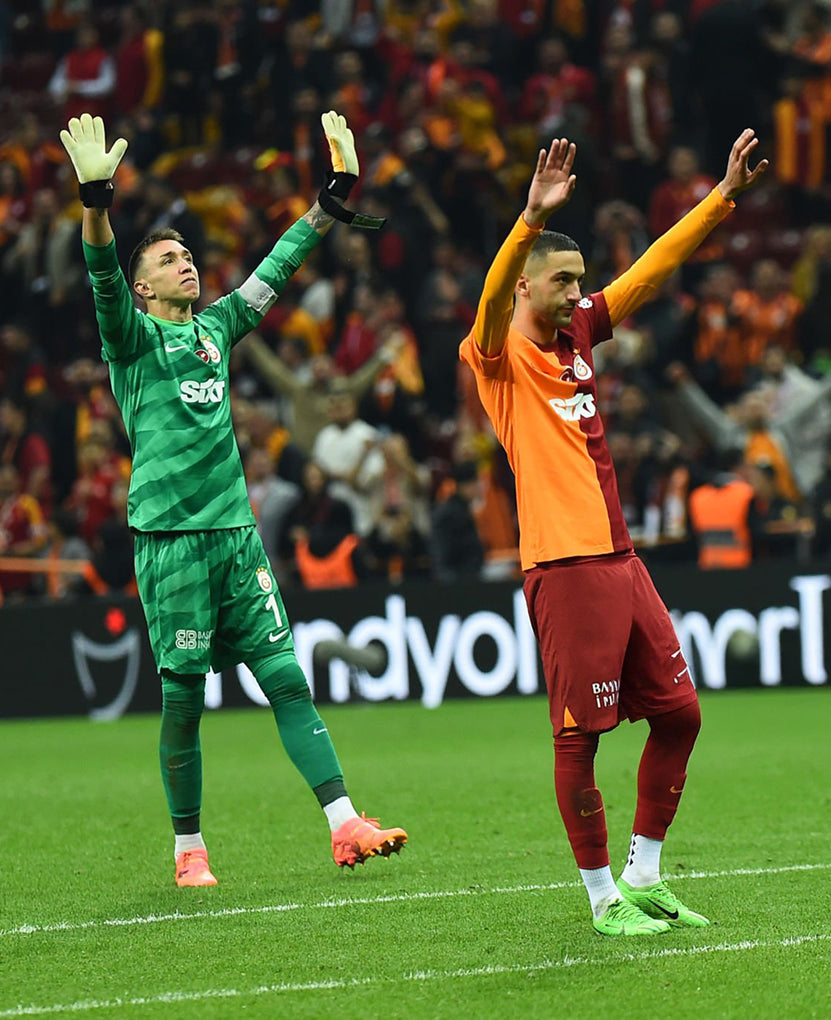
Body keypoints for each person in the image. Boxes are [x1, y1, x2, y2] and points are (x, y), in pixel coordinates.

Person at [60, 111, 406, 887]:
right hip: (172, 541)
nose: (186, 263)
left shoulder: (216, 327)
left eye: (187, 254)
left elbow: (273, 272)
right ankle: (189, 848)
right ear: (144, 287)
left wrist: (327, 205)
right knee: (184, 701)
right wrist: (96, 203)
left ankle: (343, 822)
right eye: (168, 260)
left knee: (286, 677)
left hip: (236, 538)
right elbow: (102, 274)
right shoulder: (131, 340)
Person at [459, 129, 768, 935]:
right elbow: (488, 300)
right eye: (560, 281)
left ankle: (645, 874)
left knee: (680, 714)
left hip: (620, 558)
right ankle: (601, 901)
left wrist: (721, 198)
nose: (576, 293)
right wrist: (528, 219)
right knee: (578, 739)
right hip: (563, 564)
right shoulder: (496, 353)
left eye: (578, 280)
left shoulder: (578, 333)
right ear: (525, 285)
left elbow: (651, 270)